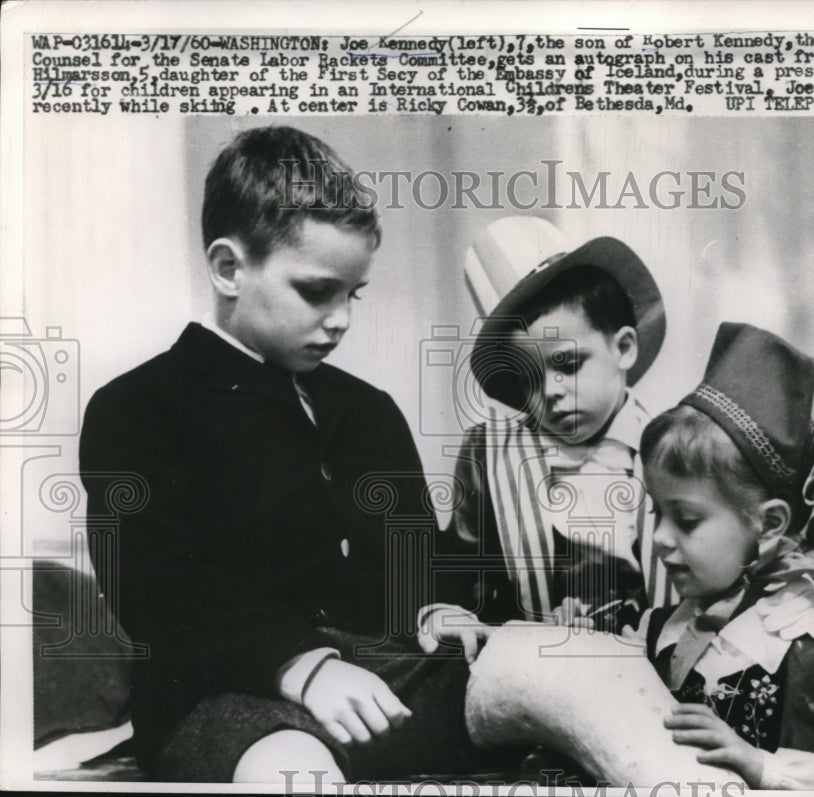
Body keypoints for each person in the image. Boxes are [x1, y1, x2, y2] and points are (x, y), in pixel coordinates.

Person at [79, 126, 499, 783]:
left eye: (352, 294)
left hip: (381, 683)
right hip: (223, 698)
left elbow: (414, 556)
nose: (342, 320)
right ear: (228, 268)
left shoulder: (369, 409)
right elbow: (157, 589)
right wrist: (300, 664)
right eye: (316, 291)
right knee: (293, 772)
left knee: (549, 670)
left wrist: (433, 605)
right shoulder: (136, 408)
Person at [637, 322, 814, 791]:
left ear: (769, 523)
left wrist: (762, 765)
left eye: (686, 521)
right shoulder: (654, 633)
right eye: (656, 514)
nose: (660, 539)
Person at [420, 216, 671, 660]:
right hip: (528, 670)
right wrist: (445, 611)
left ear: (624, 348)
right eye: (530, 379)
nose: (551, 391)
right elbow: (457, 570)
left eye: (568, 364)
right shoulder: (489, 453)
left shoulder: (675, 447)